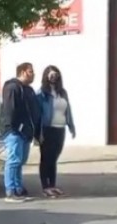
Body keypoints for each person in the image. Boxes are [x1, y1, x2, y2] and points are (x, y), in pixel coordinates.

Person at [0, 62, 40, 203]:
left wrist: (33, 131)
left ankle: (18, 188)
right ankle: (10, 191)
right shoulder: (12, 87)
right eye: (30, 71)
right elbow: (10, 110)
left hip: (26, 132)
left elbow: (33, 111)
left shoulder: (28, 90)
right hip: (14, 131)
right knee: (14, 159)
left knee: (20, 160)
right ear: (22, 72)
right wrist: (14, 128)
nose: (33, 74)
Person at [36, 65, 76, 198]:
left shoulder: (62, 92)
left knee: (54, 158)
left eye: (56, 75)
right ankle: (45, 187)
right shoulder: (42, 93)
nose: (53, 77)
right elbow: (38, 114)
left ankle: (52, 185)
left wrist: (71, 127)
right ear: (46, 76)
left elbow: (68, 110)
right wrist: (39, 133)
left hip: (60, 128)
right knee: (45, 158)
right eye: (51, 75)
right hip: (47, 129)